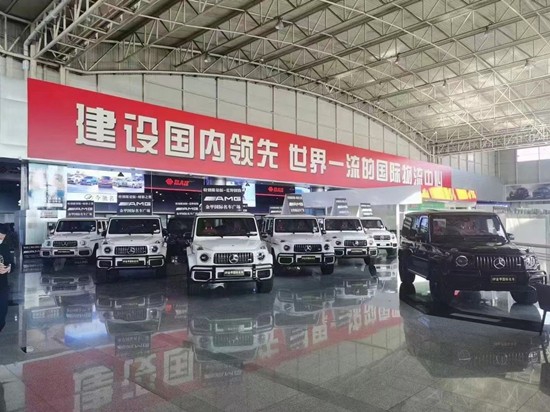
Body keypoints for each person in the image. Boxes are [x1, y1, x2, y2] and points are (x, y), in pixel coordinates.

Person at [0, 224, 13, 333]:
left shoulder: (4, 248)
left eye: (3, 237)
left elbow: (12, 263)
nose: (1, 239)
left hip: (2, 287)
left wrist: (8, 268)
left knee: (2, 314)